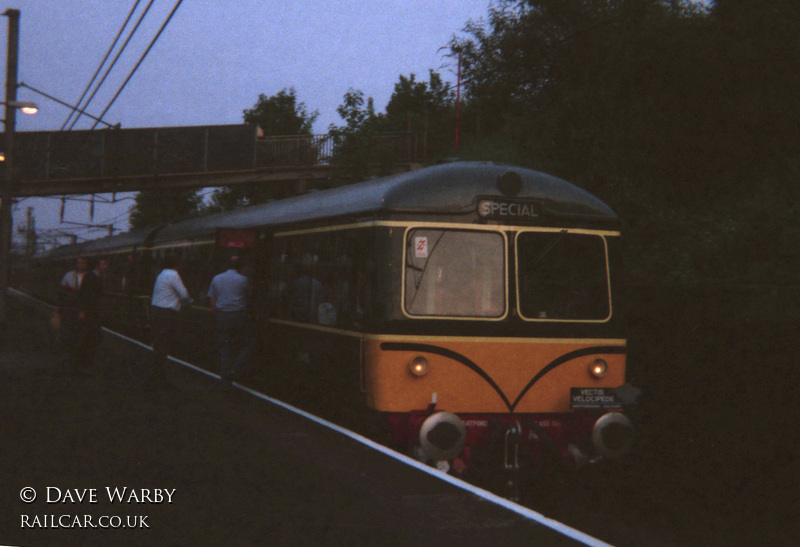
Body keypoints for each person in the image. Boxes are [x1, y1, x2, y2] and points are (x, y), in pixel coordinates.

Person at [207, 255, 252, 387]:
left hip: (222, 316)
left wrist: (217, 313)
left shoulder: (216, 278)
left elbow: (212, 300)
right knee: (247, 343)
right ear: (240, 267)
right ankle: (236, 369)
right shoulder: (243, 280)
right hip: (238, 316)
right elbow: (248, 295)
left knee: (225, 348)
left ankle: (225, 380)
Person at [149, 255, 193, 384]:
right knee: (163, 345)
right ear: (177, 265)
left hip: (156, 311)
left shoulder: (162, 274)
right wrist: (190, 301)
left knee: (158, 345)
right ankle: (159, 377)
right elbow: (184, 294)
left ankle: (157, 374)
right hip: (166, 314)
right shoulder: (173, 274)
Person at [73, 257, 108, 374]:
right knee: (87, 339)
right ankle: (82, 364)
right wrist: (82, 311)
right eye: (103, 264)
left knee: (92, 339)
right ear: (97, 266)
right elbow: (84, 294)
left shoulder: (97, 277)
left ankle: (85, 363)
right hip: (89, 314)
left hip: (94, 313)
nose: (105, 267)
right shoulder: (90, 277)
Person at [56, 256, 89, 371]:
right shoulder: (68, 275)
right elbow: (62, 292)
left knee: (81, 336)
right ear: (77, 263)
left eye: (84, 263)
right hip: (69, 309)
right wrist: (61, 307)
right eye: (80, 262)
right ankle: (66, 359)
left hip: (82, 309)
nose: (82, 264)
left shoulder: (89, 277)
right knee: (68, 334)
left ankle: (77, 362)